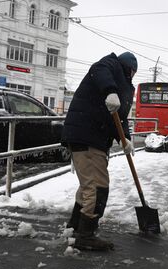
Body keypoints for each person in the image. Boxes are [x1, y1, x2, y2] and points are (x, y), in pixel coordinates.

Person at [61, 52, 138, 251]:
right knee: (97, 187)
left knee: (88, 186)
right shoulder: (110, 65)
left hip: (91, 137)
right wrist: (110, 90)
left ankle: (76, 226)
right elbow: (99, 70)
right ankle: (86, 236)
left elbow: (119, 118)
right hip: (88, 136)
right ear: (129, 69)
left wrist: (125, 139)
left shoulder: (122, 82)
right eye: (132, 73)